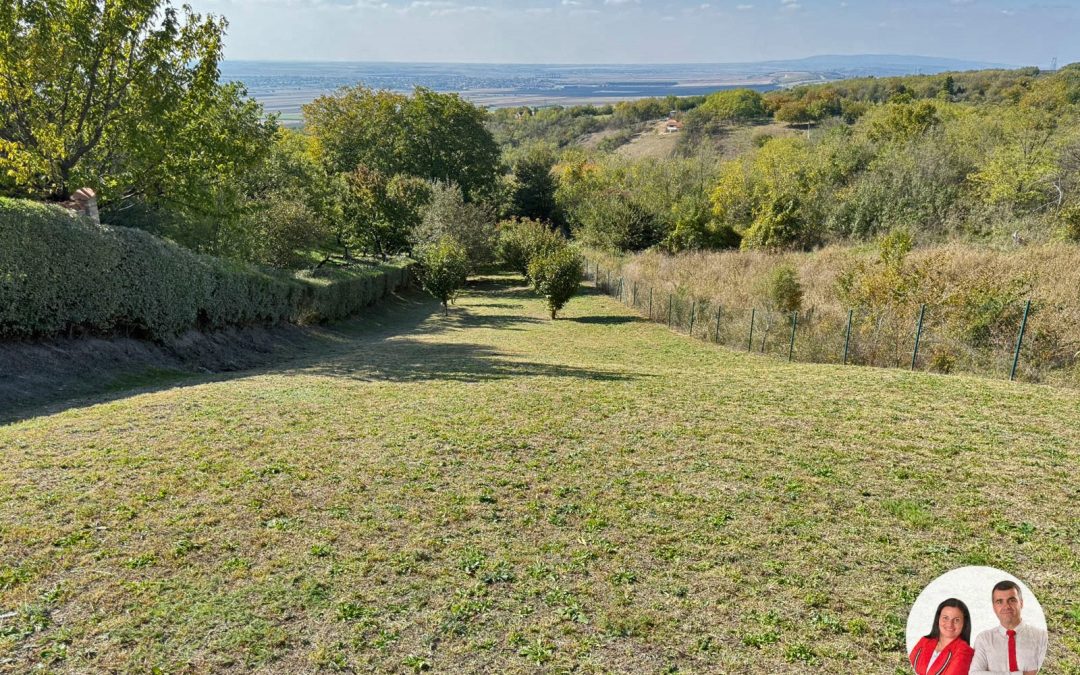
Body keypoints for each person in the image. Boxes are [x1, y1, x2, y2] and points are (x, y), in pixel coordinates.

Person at [971, 580, 1048, 675]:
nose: (1006, 606)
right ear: (994, 607)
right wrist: (1021, 674)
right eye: (999, 602)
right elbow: (974, 673)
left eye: (1012, 600)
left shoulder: (1042, 637)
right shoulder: (984, 639)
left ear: (1021, 603)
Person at [909, 598, 975, 675]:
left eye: (956, 620)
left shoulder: (965, 651)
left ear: (964, 624)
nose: (950, 624)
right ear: (938, 619)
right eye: (945, 618)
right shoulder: (924, 641)